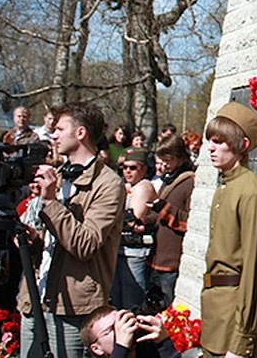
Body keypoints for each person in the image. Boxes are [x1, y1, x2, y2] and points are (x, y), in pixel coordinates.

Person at [18, 101, 125, 358]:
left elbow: (85, 244)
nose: (53, 134)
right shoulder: (57, 175)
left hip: (73, 305)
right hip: (36, 296)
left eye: (59, 128)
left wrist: (51, 203)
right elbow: (50, 241)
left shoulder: (108, 184)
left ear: (80, 133)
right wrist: (31, 240)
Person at [201, 103, 257, 358]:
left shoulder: (252, 193)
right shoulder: (225, 186)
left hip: (235, 320)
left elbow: (255, 270)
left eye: (220, 141)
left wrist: (242, 341)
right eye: (210, 140)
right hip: (217, 314)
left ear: (242, 145)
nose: (211, 147)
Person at [145, 135, 195, 304]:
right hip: (156, 257)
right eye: (162, 160)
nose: (164, 164)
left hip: (172, 262)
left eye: (169, 159)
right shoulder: (167, 180)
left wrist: (164, 208)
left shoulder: (190, 182)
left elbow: (191, 223)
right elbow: (159, 216)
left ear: (180, 158)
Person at [110, 149, 157, 310]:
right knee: (116, 300)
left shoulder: (144, 186)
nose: (127, 171)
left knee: (132, 302)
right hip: (119, 249)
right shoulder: (125, 186)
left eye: (133, 167)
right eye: (124, 167)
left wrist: (114, 216)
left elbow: (133, 218)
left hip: (135, 253)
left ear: (143, 169)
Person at [81, 305, 179, 358]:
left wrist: (164, 342)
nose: (122, 329)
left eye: (122, 321)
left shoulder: (149, 350)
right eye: (112, 328)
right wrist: (121, 347)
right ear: (97, 349)